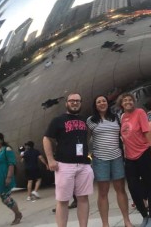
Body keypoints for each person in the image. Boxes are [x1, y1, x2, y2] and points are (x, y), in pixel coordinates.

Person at [43, 93, 94, 227]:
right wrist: (50, 160)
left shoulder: (84, 120)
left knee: (83, 198)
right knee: (62, 200)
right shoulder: (58, 120)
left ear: (81, 103)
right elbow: (47, 138)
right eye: (72, 101)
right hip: (64, 165)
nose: (75, 103)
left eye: (77, 101)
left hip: (83, 164)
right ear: (66, 103)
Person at [86, 95, 133, 227]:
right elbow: (86, 138)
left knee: (121, 190)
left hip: (117, 157)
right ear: (95, 105)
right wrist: (89, 154)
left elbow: (124, 134)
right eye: (98, 102)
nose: (102, 103)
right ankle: (105, 224)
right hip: (100, 160)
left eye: (104, 101)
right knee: (103, 192)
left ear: (108, 103)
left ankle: (126, 220)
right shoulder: (91, 120)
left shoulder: (116, 118)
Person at [117, 93, 151, 227]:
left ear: (133, 102)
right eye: (125, 100)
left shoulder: (140, 112)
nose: (128, 102)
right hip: (129, 157)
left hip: (143, 153)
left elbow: (147, 132)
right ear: (121, 104)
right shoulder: (122, 117)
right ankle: (144, 216)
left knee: (149, 185)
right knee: (133, 188)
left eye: (130, 100)